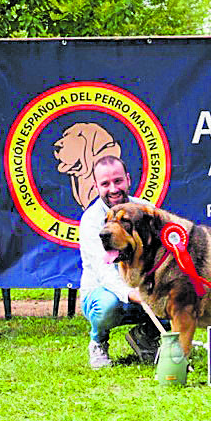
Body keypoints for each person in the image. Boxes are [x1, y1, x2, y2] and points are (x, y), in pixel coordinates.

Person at [79, 155, 165, 368]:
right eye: (105, 184)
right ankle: (98, 342)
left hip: (141, 287)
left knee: (177, 294)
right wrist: (131, 293)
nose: (113, 189)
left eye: (118, 181)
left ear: (128, 179)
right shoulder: (91, 221)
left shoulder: (146, 209)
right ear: (96, 186)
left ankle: (144, 335)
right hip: (103, 292)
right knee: (108, 306)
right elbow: (104, 271)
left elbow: (160, 254)